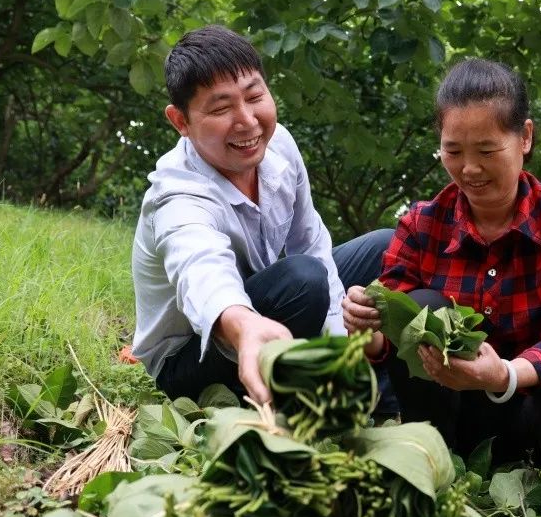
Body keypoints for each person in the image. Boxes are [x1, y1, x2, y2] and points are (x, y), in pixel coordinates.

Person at [342, 58, 541, 491]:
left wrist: (505, 374)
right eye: (452, 151)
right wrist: (368, 324)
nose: (469, 170)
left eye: (487, 151)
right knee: (419, 307)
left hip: (536, 411)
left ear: (524, 137)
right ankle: (437, 458)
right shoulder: (421, 224)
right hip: (454, 413)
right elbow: (388, 336)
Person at [132, 25, 392, 405]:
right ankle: (310, 398)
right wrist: (244, 325)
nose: (247, 121)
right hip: (193, 355)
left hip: (266, 300)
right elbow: (201, 268)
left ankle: (367, 389)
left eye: (255, 96)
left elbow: (311, 241)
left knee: (386, 247)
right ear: (181, 122)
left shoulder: (279, 145)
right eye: (221, 108)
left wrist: (340, 339)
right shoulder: (177, 195)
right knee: (304, 280)